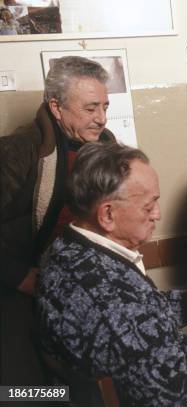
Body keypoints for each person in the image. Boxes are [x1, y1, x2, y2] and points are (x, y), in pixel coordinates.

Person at [37, 142, 187, 406]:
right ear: (107, 214)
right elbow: (177, 388)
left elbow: (133, 322)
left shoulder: (69, 249)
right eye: (148, 205)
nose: (158, 214)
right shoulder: (103, 290)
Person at [0, 55, 115, 386]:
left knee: (84, 392)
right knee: (26, 392)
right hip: (20, 294)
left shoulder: (107, 149)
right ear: (56, 107)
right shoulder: (18, 151)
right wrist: (21, 277)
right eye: (91, 108)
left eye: (105, 107)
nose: (102, 118)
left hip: (81, 293)